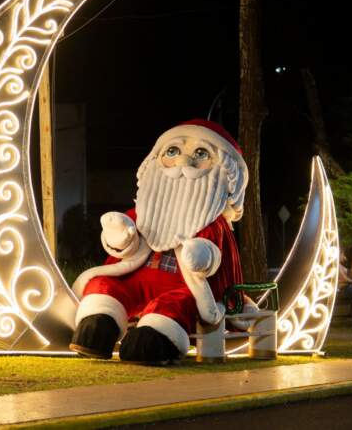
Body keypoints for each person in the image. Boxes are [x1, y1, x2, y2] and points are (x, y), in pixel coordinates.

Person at [70, 119, 249, 364]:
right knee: (105, 285)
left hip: (181, 287)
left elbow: (213, 257)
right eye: (172, 151)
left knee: (173, 305)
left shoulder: (211, 223)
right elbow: (125, 244)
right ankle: (98, 327)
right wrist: (120, 235)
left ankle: (153, 340)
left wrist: (199, 255)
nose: (183, 163)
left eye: (201, 154)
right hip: (135, 279)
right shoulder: (146, 212)